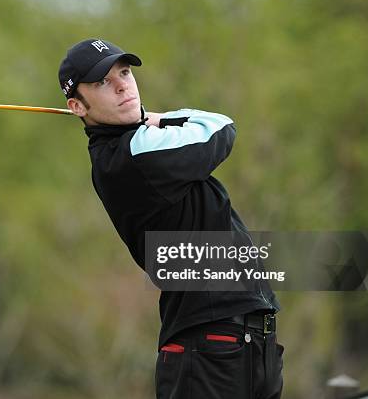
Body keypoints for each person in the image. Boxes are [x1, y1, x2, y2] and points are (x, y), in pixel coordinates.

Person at [58, 38, 284, 399]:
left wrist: (147, 119)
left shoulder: (136, 146)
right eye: (102, 82)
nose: (122, 85)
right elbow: (221, 127)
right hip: (211, 344)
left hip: (242, 341)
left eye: (125, 73)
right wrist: (155, 117)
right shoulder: (133, 154)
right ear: (77, 106)